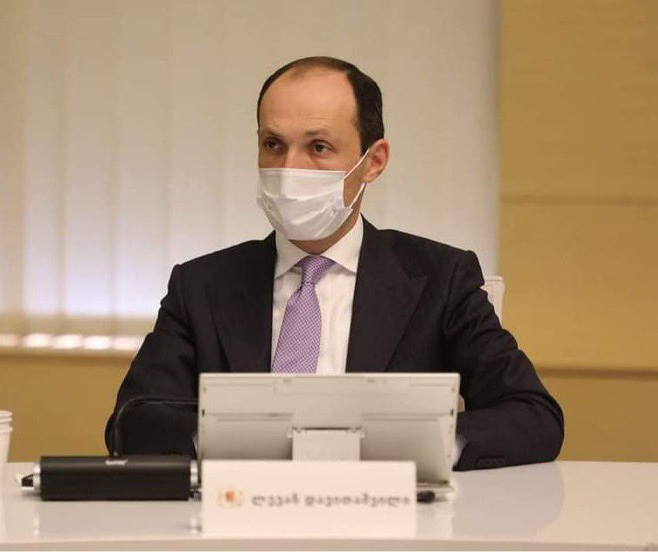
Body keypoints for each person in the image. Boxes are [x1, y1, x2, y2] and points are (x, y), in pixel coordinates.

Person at [105, 56, 563, 470]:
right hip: (238, 515)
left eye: (319, 147)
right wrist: (254, 442)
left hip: (393, 518)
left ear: (373, 161)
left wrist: (405, 444)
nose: (290, 168)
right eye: (273, 144)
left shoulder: (440, 278)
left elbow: (532, 415)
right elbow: (134, 421)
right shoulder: (202, 285)